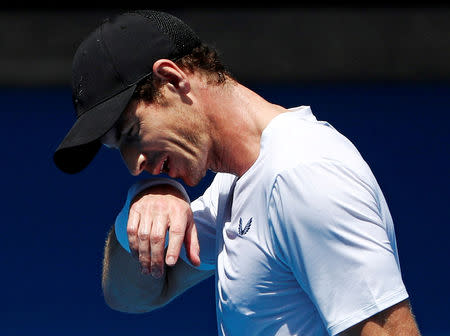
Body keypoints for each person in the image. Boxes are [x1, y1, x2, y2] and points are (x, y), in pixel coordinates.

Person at [53, 10, 422, 336]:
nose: (135, 165)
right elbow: (130, 295)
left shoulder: (301, 174)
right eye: (120, 150)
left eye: (133, 133)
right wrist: (144, 200)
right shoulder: (238, 182)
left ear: (172, 79)